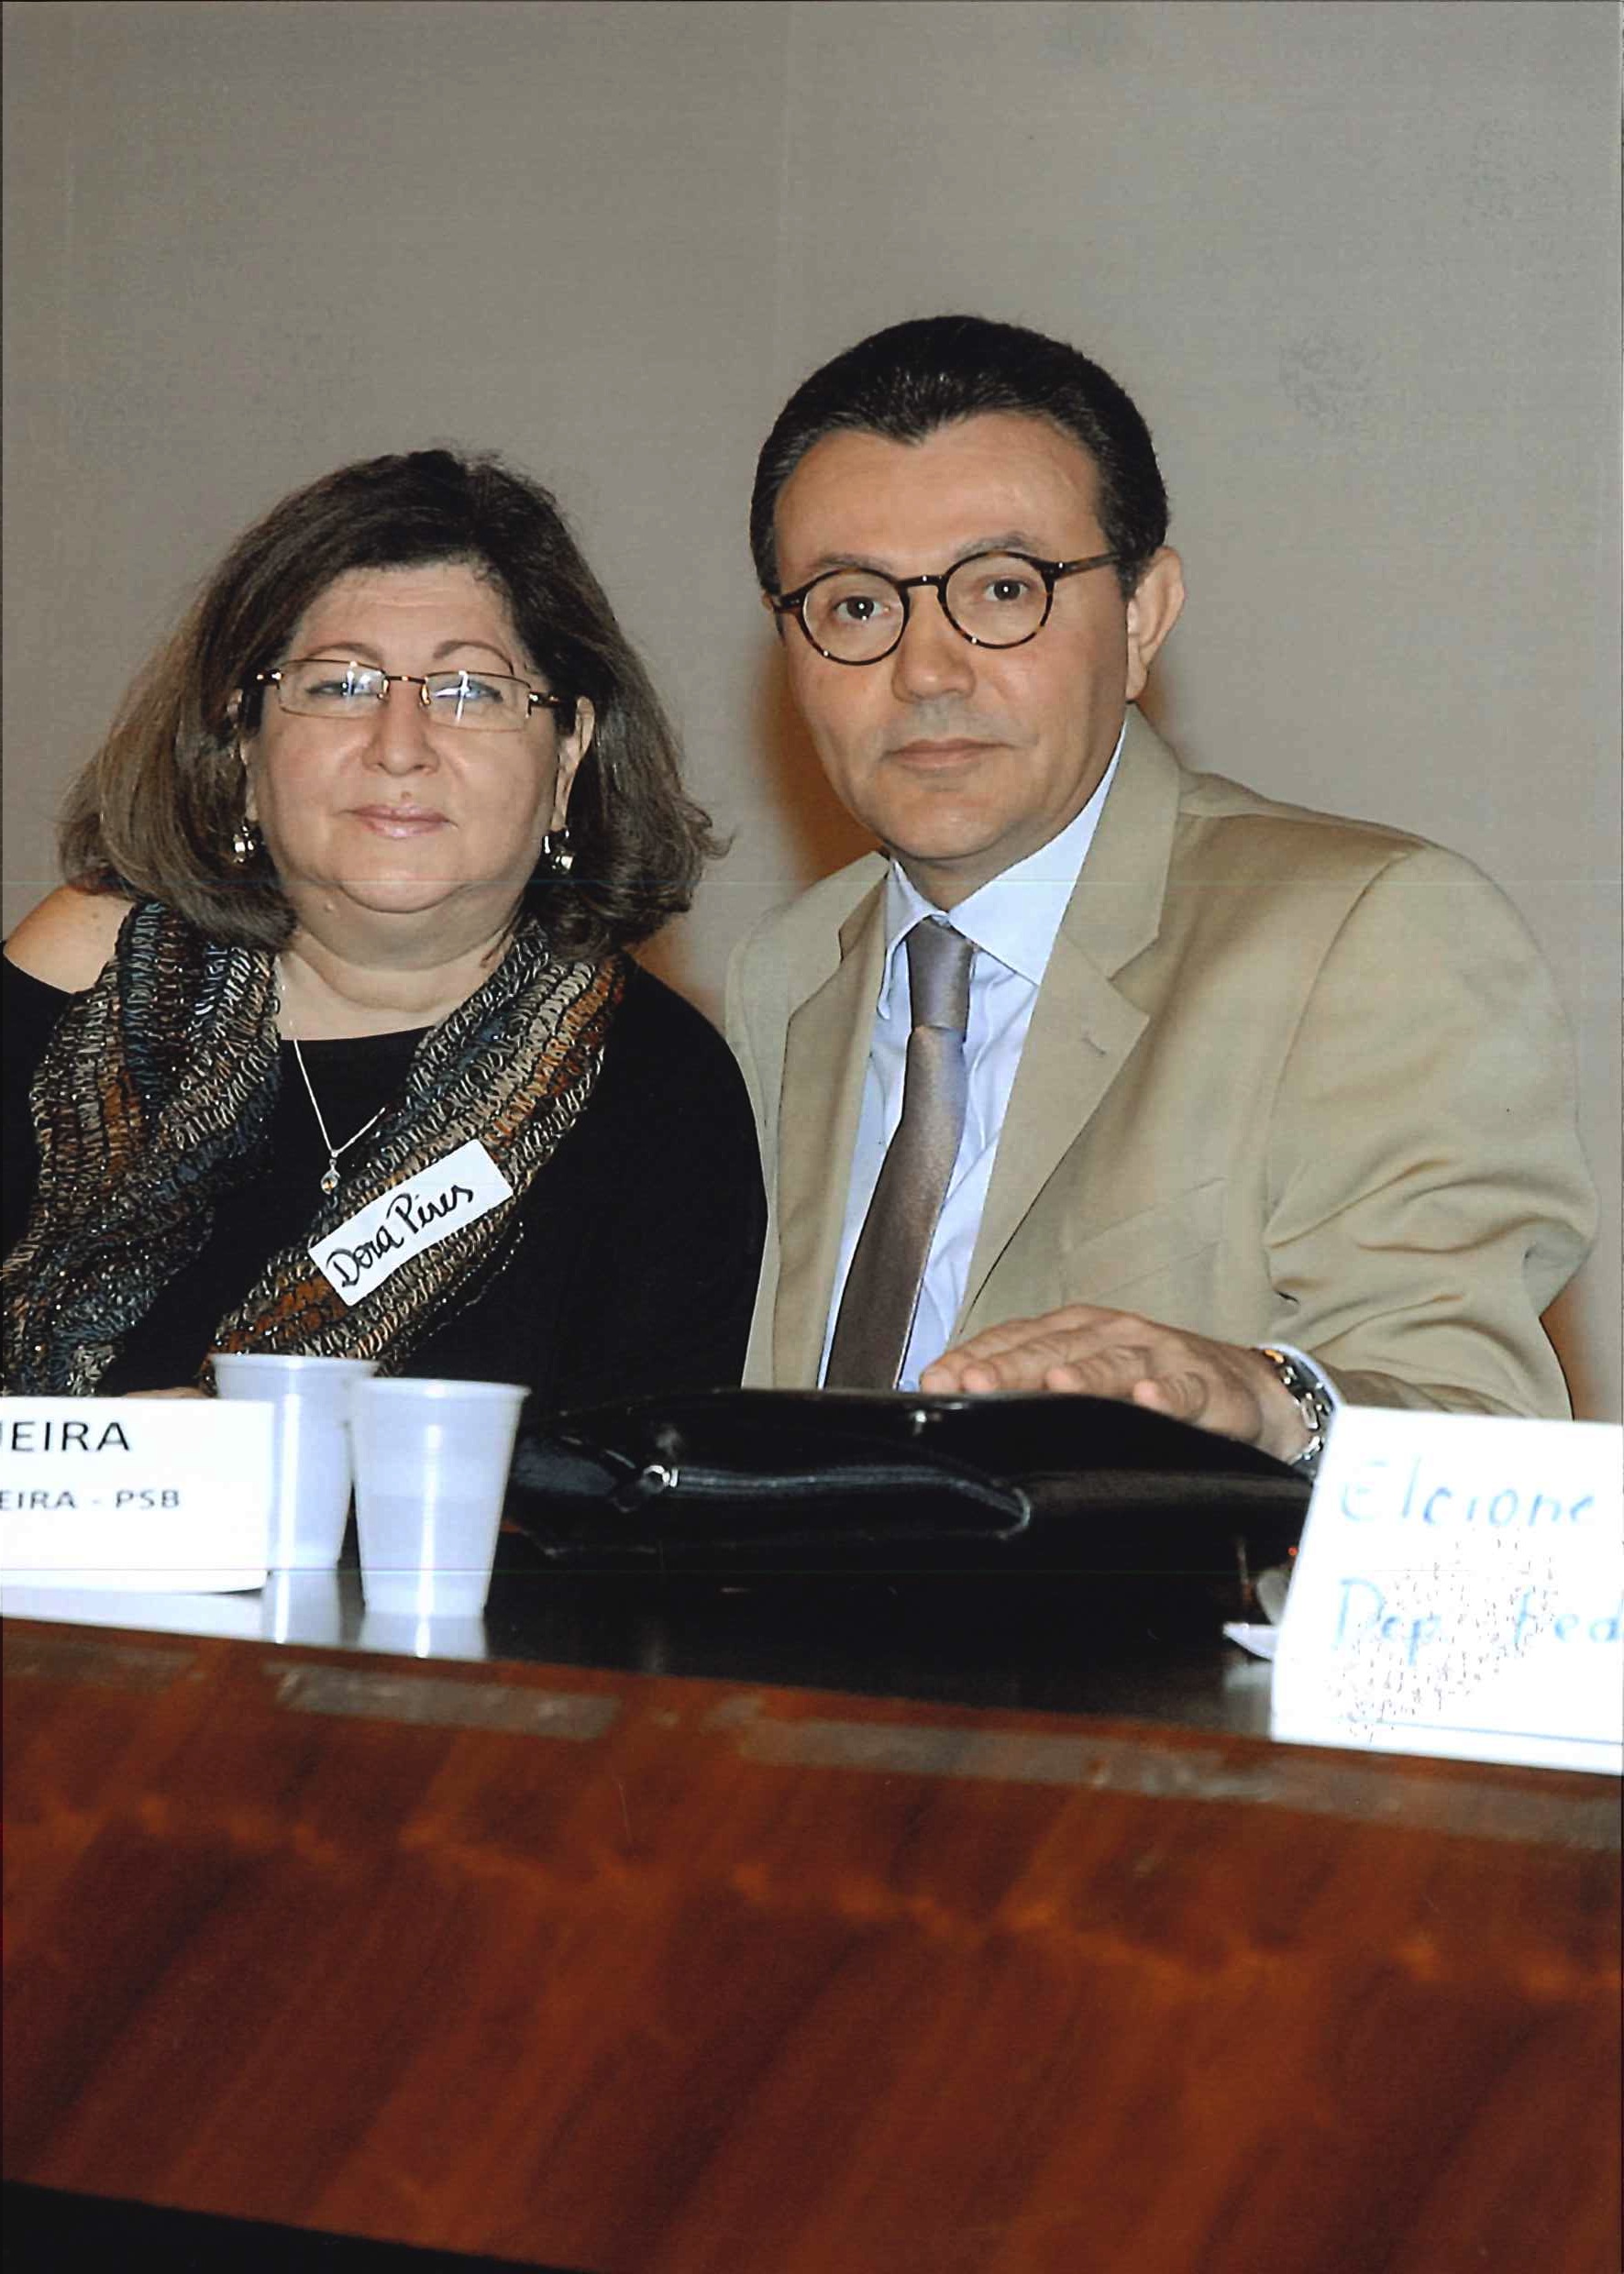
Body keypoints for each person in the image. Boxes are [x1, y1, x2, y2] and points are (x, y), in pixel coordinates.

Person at [727, 315, 1595, 1463]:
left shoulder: (1363, 932)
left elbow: (1487, 1433)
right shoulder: (782, 976)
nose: (926, 670)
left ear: (1142, 615)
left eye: (1002, 590)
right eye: (855, 605)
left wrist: (1264, 1397)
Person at [3, 448, 765, 1410]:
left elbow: (640, 1483)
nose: (399, 746)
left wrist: (244, 1463)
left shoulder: (661, 1092)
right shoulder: (86, 985)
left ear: (567, 756)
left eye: (470, 690)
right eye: (341, 685)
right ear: (242, 742)